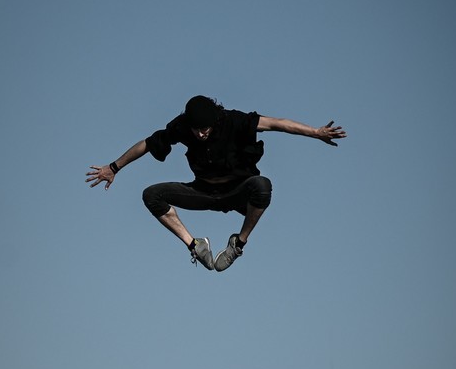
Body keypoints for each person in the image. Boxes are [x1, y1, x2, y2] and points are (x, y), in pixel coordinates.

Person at [86, 95, 346, 271]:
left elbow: (275, 123)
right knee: (151, 195)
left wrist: (315, 132)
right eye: (197, 129)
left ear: (215, 121)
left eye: (206, 129)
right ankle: (195, 245)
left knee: (262, 186)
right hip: (203, 192)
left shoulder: (233, 120)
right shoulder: (181, 127)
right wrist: (114, 167)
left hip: (237, 191)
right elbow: (147, 144)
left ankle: (238, 244)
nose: (201, 134)